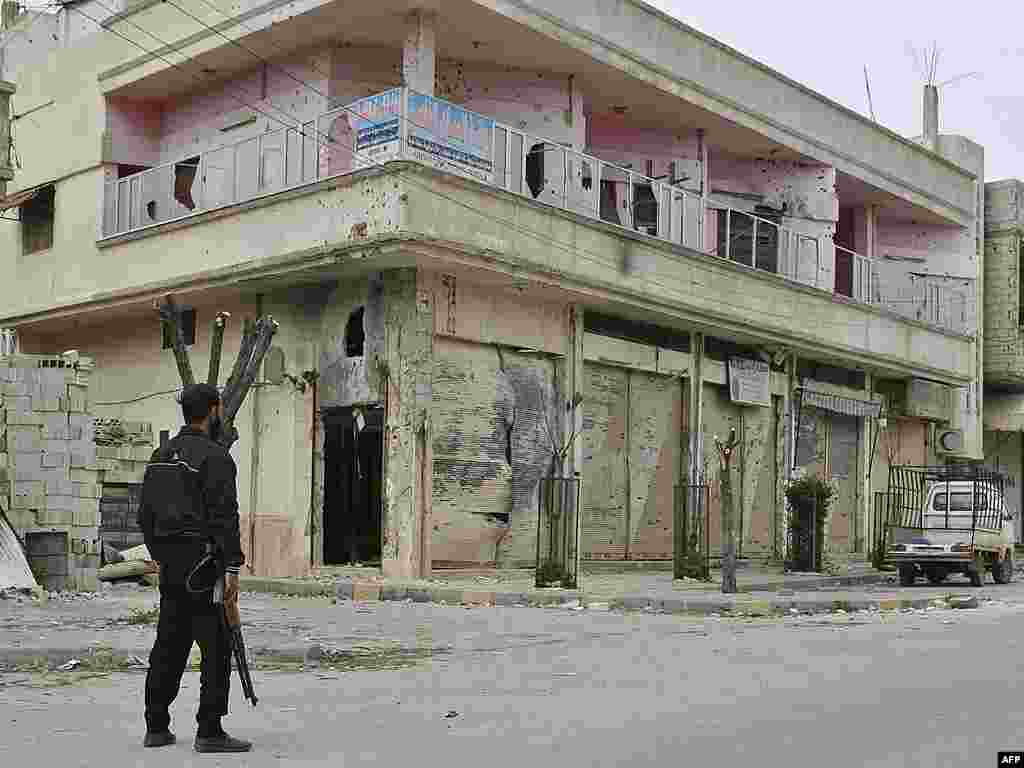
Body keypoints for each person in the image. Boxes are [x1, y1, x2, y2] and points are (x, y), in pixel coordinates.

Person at [138, 383, 252, 753]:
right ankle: (210, 730)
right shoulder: (215, 457)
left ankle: (156, 726)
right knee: (217, 645)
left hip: (171, 565)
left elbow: (145, 516)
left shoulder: (161, 454)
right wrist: (232, 566)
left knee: (169, 641)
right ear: (215, 410)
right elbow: (224, 518)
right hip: (205, 566)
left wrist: (160, 555)